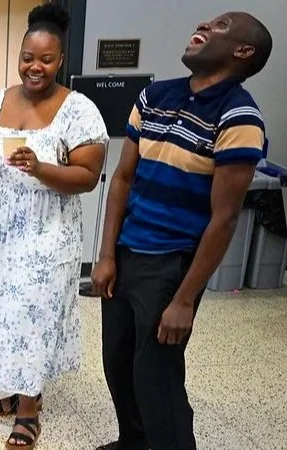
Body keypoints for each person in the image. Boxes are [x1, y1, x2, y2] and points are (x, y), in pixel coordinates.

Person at [91, 11, 272, 450]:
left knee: (157, 376)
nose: (205, 26)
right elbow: (122, 178)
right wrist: (107, 254)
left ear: (242, 51)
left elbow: (224, 218)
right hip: (127, 250)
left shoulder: (239, 116)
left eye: (222, 26)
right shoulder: (154, 95)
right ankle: (132, 441)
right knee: (117, 364)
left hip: (172, 264)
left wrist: (185, 300)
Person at [0, 4, 109, 449]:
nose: (34, 67)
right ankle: (19, 388)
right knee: (4, 317)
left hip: (46, 235)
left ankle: (29, 411)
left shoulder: (78, 110)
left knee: (34, 318)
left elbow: (86, 177)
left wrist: (40, 168)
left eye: (45, 59)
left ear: (60, 60)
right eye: (27, 57)